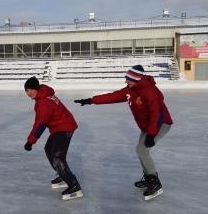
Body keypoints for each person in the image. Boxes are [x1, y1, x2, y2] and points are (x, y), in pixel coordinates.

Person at [74, 65, 173, 201]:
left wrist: (151, 134)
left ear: (136, 79)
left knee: (142, 150)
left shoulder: (150, 92)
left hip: (160, 124)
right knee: (141, 151)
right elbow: (113, 96)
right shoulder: (131, 90)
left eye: (128, 79)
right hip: (148, 126)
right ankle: (150, 178)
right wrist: (91, 100)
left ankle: (155, 183)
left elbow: (157, 114)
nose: (126, 81)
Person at [23, 76, 83, 201]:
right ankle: (62, 175)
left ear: (37, 88)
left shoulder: (44, 102)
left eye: (31, 90)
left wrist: (30, 141)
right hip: (59, 126)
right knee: (49, 149)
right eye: (27, 90)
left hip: (64, 127)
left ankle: (74, 185)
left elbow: (40, 124)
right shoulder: (43, 96)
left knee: (57, 156)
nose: (29, 93)